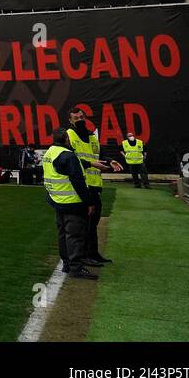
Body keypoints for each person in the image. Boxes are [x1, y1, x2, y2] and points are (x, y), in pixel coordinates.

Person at [65, 108, 124, 265]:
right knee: (84, 224)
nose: (80, 119)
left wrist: (110, 161)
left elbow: (100, 154)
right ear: (70, 121)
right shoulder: (69, 136)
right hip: (81, 185)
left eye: (82, 117)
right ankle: (83, 256)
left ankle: (93, 253)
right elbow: (70, 160)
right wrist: (91, 163)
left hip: (95, 185)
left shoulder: (92, 136)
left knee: (93, 222)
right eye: (76, 118)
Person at [41, 132, 99, 279]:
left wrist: (90, 163)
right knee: (74, 235)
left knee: (62, 233)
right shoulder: (68, 155)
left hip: (57, 199)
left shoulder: (51, 152)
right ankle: (76, 267)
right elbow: (78, 181)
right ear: (66, 139)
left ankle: (67, 263)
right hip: (72, 201)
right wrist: (89, 202)